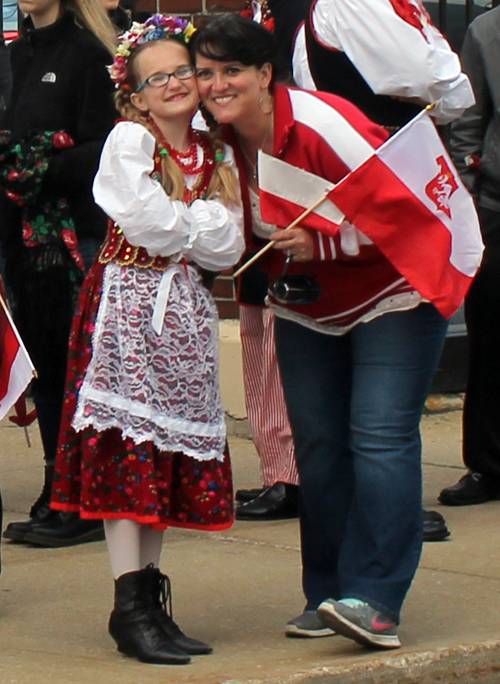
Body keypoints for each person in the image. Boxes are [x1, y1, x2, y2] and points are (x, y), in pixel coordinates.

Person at [191, 13, 459, 650]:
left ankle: (376, 600)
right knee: (316, 445)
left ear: (265, 74)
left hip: (396, 290)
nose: (218, 85)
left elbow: (415, 209)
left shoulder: (323, 123)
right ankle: (329, 593)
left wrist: (327, 244)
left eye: (233, 70)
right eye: (206, 73)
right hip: (308, 305)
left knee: (379, 436)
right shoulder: (216, 143)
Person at [49, 15, 244, 664]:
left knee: (162, 451)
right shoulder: (129, 143)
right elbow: (144, 220)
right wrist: (194, 227)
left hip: (183, 311)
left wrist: (186, 229)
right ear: (133, 92)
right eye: (157, 76)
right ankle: (127, 605)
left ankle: (150, 602)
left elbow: (232, 239)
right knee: (126, 445)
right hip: (128, 306)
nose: (174, 84)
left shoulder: (213, 152)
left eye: (183, 71)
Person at [290, 0, 478, 544]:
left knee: (376, 419)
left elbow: (444, 86)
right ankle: (379, 529)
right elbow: (441, 83)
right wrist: (441, 79)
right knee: (374, 422)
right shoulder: (357, 1)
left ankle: (379, 537)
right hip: (379, 193)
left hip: (375, 193)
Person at [0, 0, 117, 548]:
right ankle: (57, 491)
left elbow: (102, 147)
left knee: (76, 371)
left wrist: (41, 162)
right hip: (20, 236)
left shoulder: (88, 55)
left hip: (73, 237)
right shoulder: (15, 54)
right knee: (44, 367)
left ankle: (84, 499)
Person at [230, 0, 300, 522]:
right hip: (255, 242)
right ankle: (277, 472)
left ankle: (296, 475)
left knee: (290, 359)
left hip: (297, 232)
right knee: (259, 352)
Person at [438, 6, 500, 506]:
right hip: (498, 205)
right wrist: (473, 189)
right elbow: (469, 119)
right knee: (491, 339)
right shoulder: (487, 30)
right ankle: (490, 466)